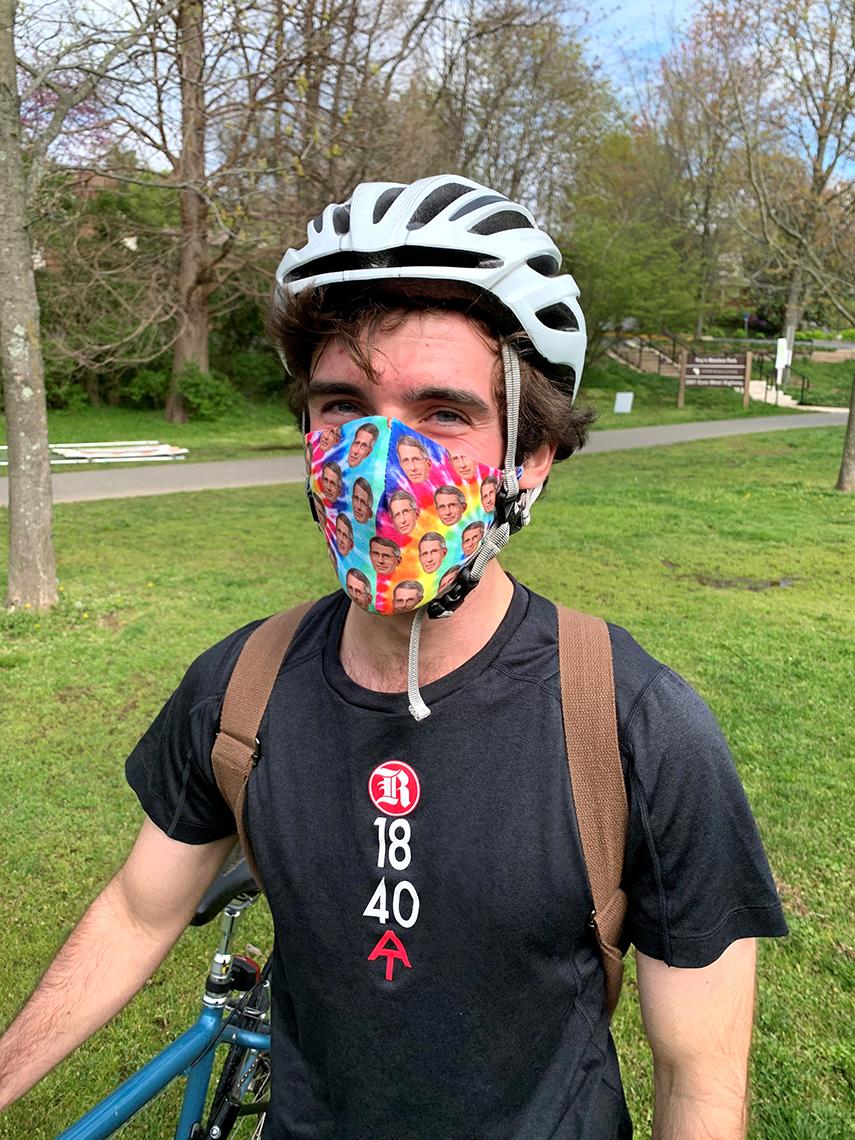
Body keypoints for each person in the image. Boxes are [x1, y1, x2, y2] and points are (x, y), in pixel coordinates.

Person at [0, 174, 786, 1138]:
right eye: (343, 405)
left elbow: (698, 1078)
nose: (378, 462)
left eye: (443, 413)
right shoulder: (238, 690)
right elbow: (136, 912)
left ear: (529, 458)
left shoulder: (635, 727)